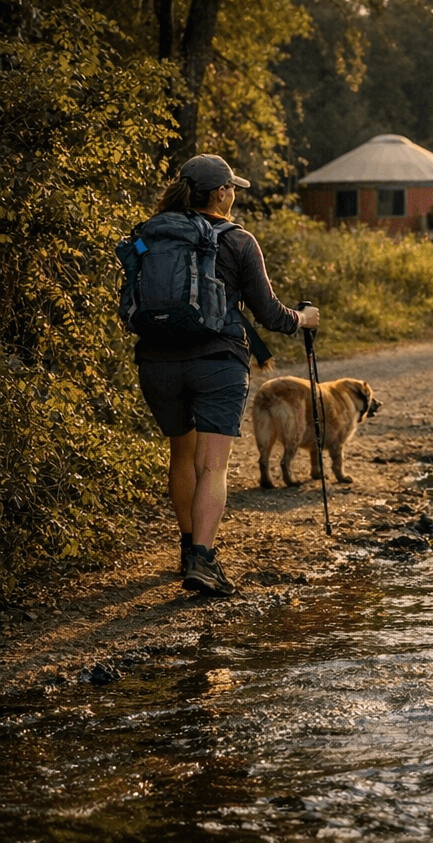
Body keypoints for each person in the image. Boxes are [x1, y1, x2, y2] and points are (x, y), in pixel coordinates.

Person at [133, 155, 320, 596]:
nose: (234, 194)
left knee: (182, 455)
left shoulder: (149, 235)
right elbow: (271, 315)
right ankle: (203, 559)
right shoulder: (237, 239)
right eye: (232, 188)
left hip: (157, 361)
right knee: (212, 465)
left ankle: (186, 548)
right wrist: (305, 319)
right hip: (217, 362)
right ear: (220, 194)